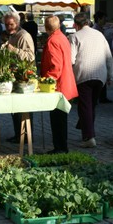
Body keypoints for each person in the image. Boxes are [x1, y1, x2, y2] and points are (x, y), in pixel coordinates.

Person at [69, 12, 113, 148]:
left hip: (84, 75)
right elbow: (109, 56)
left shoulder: (75, 36)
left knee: (85, 106)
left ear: (75, 25)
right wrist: (110, 75)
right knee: (91, 105)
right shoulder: (99, 34)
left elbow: (71, 59)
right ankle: (86, 129)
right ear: (87, 23)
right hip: (100, 75)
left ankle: (89, 137)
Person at [41, 15, 78, 153]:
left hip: (58, 86)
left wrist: (46, 81)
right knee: (60, 119)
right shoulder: (62, 37)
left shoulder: (53, 41)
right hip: (65, 83)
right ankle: (61, 147)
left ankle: (60, 148)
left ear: (46, 27)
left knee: (58, 119)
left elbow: (56, 67)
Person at [3, 12, 36, 143]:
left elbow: (31, 57)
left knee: (24, 108)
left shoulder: (24, 36)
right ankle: (19, 135)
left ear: (17, 23)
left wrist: (14, 50)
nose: (8, 27)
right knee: (15, 107)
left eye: (11, 24)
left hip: (25, 78)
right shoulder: (12, 35)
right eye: (6, 25)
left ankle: (26, 137)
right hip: (15, 76)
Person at [93, 10, 113, 103]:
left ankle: (102, 96)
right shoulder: (96, 30)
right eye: (104, 18)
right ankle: (100, 96)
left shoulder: (101, 28)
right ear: (99, 19)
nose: (106, 20)